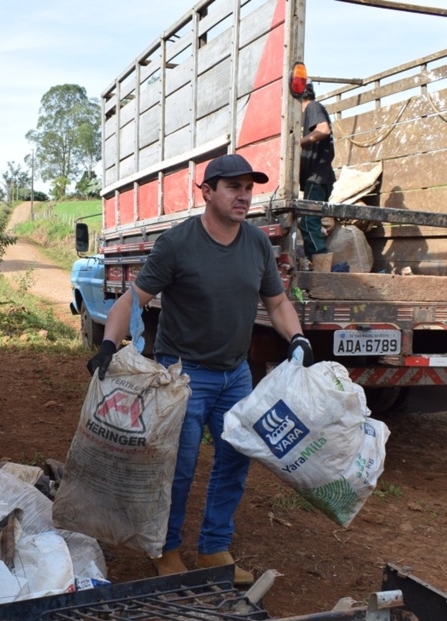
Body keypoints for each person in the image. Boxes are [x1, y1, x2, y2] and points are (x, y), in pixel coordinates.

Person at [85, 153, 313, 585]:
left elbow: (278, 302)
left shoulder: (257, 244)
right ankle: (166, 548)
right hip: (183, 375)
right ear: (207, 192)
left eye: (248, 188)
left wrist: (296, 337)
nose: (243, 195)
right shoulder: (178, 244)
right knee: (178, 468)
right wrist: (109, 345)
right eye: (233, 187)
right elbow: (134, 299)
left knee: (235, 461)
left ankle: (213, 547)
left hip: (237, 376)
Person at [298, 82, 336, 256]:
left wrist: (298, 143)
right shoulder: (311, 112)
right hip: (319, 179)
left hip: (316, 178)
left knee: (308, 222)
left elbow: (323, 129)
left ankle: (320, 265)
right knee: (312, 223)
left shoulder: (312, 107)